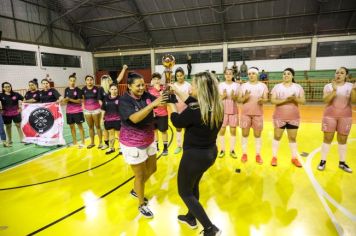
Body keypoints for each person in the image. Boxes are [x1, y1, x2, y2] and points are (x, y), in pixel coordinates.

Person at [168, 71, 223, 236]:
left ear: (201, 88)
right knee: (193, 186)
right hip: (209, 153)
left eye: (193, 85)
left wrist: (171, 105)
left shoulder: (194, 110)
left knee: (184, 192)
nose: (190, 87)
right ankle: (191, 217)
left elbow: (177, 121)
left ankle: (210, 229)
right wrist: (177, 92)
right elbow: (193, 102)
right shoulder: (215, 105)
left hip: (194, 157)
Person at [118, 72, 167, 218]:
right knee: (139, 176)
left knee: (152, 168)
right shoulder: (124, 100)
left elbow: (161, 102)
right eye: (137, 85)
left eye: (142, 85)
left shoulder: (146, 95)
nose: (141, 88)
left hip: (149, 138)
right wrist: (153, 104)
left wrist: (165, 93)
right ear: (129, 86)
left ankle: (136, 189)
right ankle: (141, 204)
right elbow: (134, 118)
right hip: (132, 143)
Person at [318, 67, 356, 173]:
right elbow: (325, 100)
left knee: (343, 140)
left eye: (342, 73)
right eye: (337, 73)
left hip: (345, 116)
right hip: (329, 116)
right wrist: (334, 90)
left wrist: (354, 89)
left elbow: (353, 101)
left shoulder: (350, 86)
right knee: (327, 138)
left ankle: (342, 162)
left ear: (346, 76)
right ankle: (323, 161)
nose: (338, 74)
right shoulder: (328, 86)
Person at [270, 68, 305, 167]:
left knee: (293, 138)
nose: (286, 75)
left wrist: (295, 99)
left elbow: (303, 101)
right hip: (279, 117)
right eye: (284, 74)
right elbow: (273, 101)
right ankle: (274, 157)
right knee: (277, 137)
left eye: (288, 74)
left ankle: (294, 158)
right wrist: (286, 100)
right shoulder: (277, 87)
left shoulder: (298, 87)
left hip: (294, 117)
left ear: (292, 76)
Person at [238, 67, 268, 164]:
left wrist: (262, 101)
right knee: (245, 134)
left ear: (257, 74)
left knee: (257, 135)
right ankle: (244, 153)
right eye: (249, 73)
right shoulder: (243, 86)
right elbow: (239, 100)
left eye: (253, 73)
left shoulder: (263, 86)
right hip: (245, 114)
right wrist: (245, 98)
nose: (251, 75)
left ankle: (258, 155)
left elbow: (266, 99)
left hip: (258, 114)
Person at [99, 65, 128, 150]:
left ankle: (120, 146)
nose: (108, 80)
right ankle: (108, 145)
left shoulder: (113, 85)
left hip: (117, 114)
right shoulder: (101, 89)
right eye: (106, 79)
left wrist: (124, 69)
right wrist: (104, 112)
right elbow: (100, 101)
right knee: (107, 131)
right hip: (107, 113)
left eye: (109, 78)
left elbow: (119, 77)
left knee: (119, 133)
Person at [218, 68, 240, 158]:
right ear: (224, 75)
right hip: (223, 111)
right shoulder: (220, 85)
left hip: (233, 110)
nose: (228, 75)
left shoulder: (237, 85)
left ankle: (232, 150)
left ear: (233, 75)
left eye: (230, 74)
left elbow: (238, 99)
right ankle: (222, 149)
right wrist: (223, 96)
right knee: (222, 130)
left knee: (233, 130)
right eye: (226, 74)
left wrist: (234, 97)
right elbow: (218, 99)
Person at [148, 72, 169, 155]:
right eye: (154, 79)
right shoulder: (149, 90)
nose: (156, 80)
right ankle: (156, 146)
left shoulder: (164, 89)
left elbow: (165, 102)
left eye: (158, 79)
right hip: (153, 115)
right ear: (152, 80)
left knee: (163, 131)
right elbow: (149, 102)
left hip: (163, 114)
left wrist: (159, 90)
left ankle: (165, 148)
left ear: (160, 80)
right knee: (154, 131)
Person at [63, 73, 85, 148]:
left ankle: (83, 142)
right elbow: (65, 100)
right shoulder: (66, 89)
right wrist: (63, 101)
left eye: (73, 81)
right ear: (69, 81)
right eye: (71, 80)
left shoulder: (78, 90)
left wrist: (70, 99)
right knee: (71, 127)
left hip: (77, 111)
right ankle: (75, 142)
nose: (72, 82)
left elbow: (79, 101)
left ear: (75, 81)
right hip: (69, 111)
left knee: (80, 127)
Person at [173, 67, 192, 154]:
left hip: (186, 109)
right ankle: (179, 145)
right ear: (176, 77)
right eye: (177, 76)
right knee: (178, 128)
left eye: (181, 75)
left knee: (187, 129)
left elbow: (191, 97)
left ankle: (187, 144)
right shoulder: (173, 85)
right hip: (177, 109)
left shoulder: (188, 85)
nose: (179, 77)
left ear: (184, 75)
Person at [0, 82, 24, 147]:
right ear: (3, 88)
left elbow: (24, 100)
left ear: (11, 87)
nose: (8, 88)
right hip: (6, 113)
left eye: (9, 86)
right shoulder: (1, 95)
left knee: (18, 125)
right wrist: (1, 109)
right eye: (6, 87)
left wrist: (21, 107)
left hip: (16, 112)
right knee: (8, 126)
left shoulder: (16, 94)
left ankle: (22, 139)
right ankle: (9, 140)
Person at [82, 75, 103, 149]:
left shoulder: (97, 89)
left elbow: (100, 99)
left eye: (91, 79)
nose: (89, 81)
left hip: (96, 110)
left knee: (97, 126)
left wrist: (101, 105)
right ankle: (92, 142)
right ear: (85, 81)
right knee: (90, 127)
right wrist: (83, 107)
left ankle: (100, 142)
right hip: (87, 111)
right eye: (88, 80)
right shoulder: (83, 89)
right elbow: (83, 99)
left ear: (93, 81)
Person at [101, 84, 121, 155]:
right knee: (111, 134)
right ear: (109, 90)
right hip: (108, 120)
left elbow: (123, 109)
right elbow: (103, 109)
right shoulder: (106, 98)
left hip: (118, 120)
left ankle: (121, 148)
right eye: (112, 89)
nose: (113, 91)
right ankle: (111, 148)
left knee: (119, 135)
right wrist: (102, 118)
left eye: (115, 89)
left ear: (117, 90)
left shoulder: (120, 98)